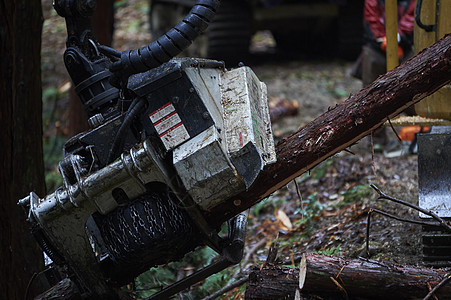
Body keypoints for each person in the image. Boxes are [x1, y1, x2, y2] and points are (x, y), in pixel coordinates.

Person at [361, 0, 416, 86]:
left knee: (410, 78)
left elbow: (410, 18)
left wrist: (398, 38)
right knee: (371, 58)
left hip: (404, 47)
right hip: (377, 47)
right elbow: (371, 18)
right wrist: (384, 40)